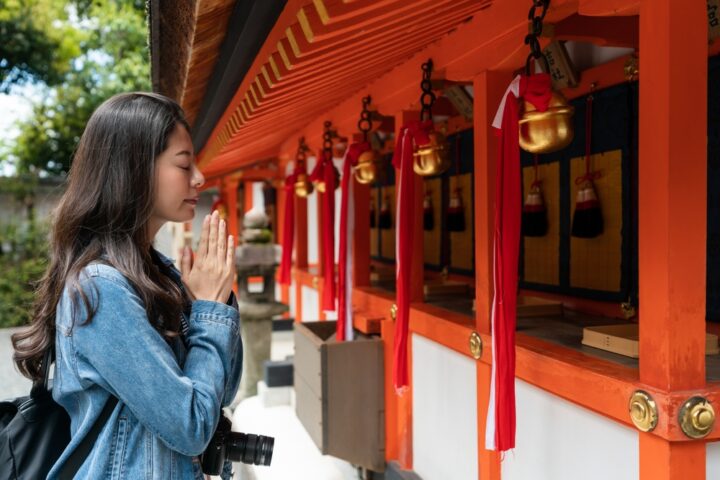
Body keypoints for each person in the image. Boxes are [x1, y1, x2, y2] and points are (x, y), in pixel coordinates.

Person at [11, 92, 241, 479]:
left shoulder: (157, 274)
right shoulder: (100, 287)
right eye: (184, 164)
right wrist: (209, 311)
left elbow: (220, 393)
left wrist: (217, 300)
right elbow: (191, 427)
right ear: (135, 170)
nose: (199, 178)